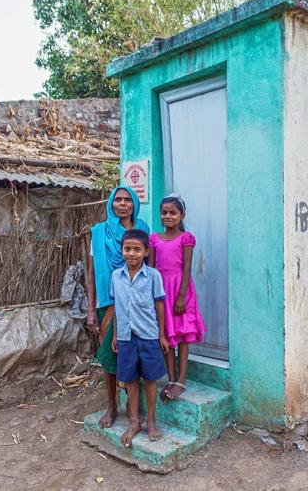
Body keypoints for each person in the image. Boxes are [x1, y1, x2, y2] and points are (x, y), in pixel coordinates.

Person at [86, 187, 150, 429]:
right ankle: (112, 406)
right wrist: (91, 308)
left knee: (136, 354)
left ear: (134, 204)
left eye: (127, 200)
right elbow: (92, 271)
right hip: (107, 302)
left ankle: (136, 408)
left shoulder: (143, 229)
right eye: (117, 200)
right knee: (108, 355)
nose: (122, 204)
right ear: (111, 204)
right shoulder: (100, 232)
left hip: (137, 303)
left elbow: (149, 267)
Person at [108, 229, 169, 446]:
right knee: (131, 381)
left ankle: (151, 420)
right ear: (122, 250)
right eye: (127, 249)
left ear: (145, 252)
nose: (131, 253)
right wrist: (116, 335)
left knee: (150, 380)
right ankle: (134, 421)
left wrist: (161, 334)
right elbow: (117, 307)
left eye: (136, 249)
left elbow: (160, 305)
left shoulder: (153, 276)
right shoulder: (116, 276)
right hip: (125, 336)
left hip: (148, 335)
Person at [148, 193, 206, 401]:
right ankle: (170, 378)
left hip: (181, 291)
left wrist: (181, 296)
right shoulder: (154, 239)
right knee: (165, 334)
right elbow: (151, 268)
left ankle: (181, 379)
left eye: (173, 213)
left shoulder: (186, 238)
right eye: (164, 213)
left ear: (182, 215)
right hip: (161, 292)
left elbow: (187, 267)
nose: (168, 216)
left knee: (181, 336)